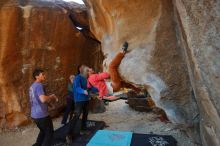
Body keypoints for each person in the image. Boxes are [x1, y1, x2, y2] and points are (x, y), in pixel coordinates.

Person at [29, 69, 58, 146]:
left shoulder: (32, 86)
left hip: (35, 115)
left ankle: (37, 144)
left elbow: (39, 99)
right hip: (41, 115)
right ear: (36, 76)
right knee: (49, 133)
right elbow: (43, 99)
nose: (44, 76)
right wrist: (52, 96)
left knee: (43, 131)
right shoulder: (39, 85)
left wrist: (50, 105)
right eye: (42, 74)